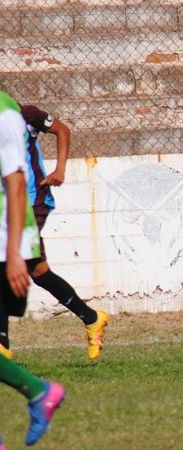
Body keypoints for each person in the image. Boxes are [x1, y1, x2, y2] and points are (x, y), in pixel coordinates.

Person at [0, 105, 109, 361]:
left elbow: (62, 130)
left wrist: (60, 169)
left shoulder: (24, 114)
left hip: (33, 201)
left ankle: (2, 343)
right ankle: (92, 319)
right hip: (9, 206)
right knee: (39, 271)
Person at [0, 90, 65, 446]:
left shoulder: (7, 114)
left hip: (5, 240)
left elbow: (15, 183)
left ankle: (40, 393)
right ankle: (39, 393)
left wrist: (13, 254)